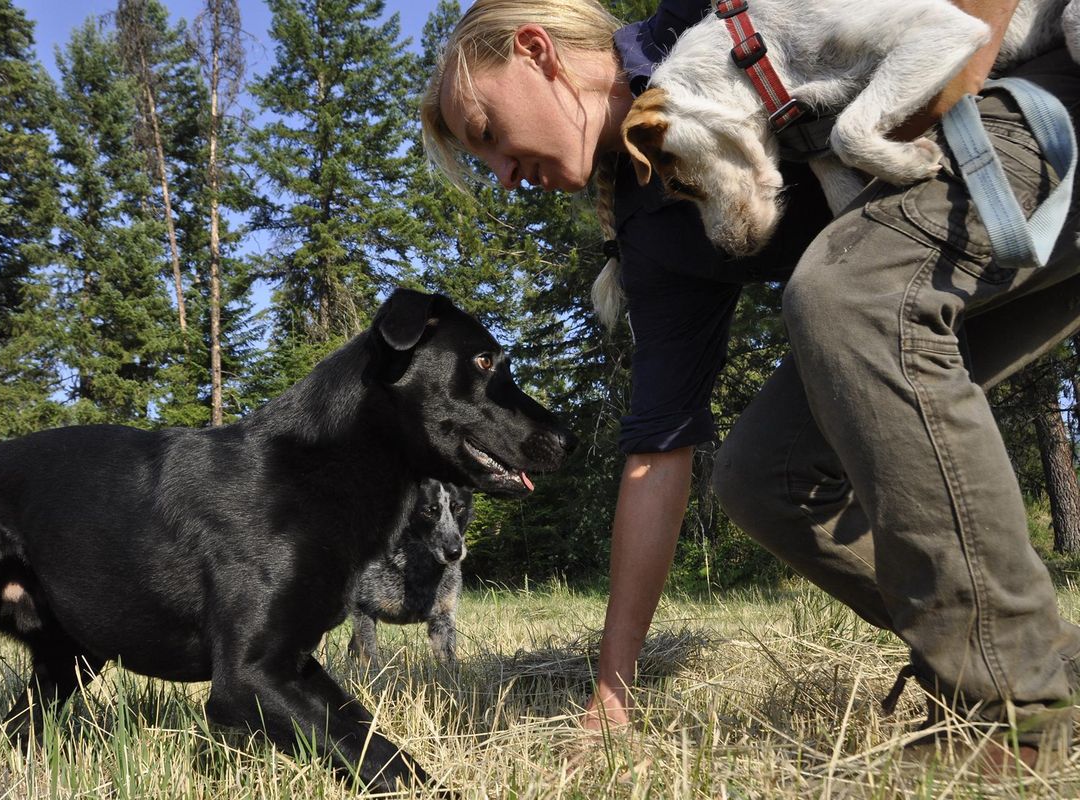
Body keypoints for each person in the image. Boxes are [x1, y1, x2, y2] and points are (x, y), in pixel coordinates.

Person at [421, 0, 1080, 767]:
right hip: (948, 258)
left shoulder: (710, 19)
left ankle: (1006, 712)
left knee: (845, 294)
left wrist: (950, 87)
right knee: (765, 478)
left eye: (488, 133)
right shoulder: (649, 225)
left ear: (536, 51)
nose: (502, 176)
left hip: (1038, 105)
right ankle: (1045, 659)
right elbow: (656, 452)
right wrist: (612, 696)